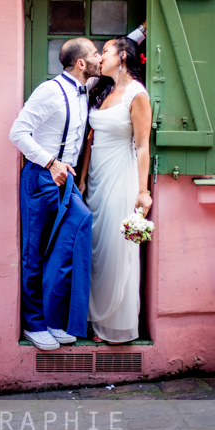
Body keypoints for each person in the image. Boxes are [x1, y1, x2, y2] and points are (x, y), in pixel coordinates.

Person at [9, 38, 100, 350]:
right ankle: (36, 325)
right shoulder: (50, 91)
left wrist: (142, 31)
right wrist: (50, 162)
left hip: (67, 180)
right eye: (95, 54)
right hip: (41, 176)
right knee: (34, 253)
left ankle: (56, 319)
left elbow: (125, 46)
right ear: (80, 63)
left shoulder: (85, 89)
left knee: (79, 225)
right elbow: (17, 133)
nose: (100, 58)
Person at [81, 36, 152, 344]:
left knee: (115, 248)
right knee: (96, 250)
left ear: (123, 56)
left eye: (106, 51)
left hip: (120, 178)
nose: (101, 56)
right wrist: (83, 178)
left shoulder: (137, 94)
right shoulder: (105, 91)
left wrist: (143, 191)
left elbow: (142, 146)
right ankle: (95, 319)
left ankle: (116, 325)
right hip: (95, 180)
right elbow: (90, 140)